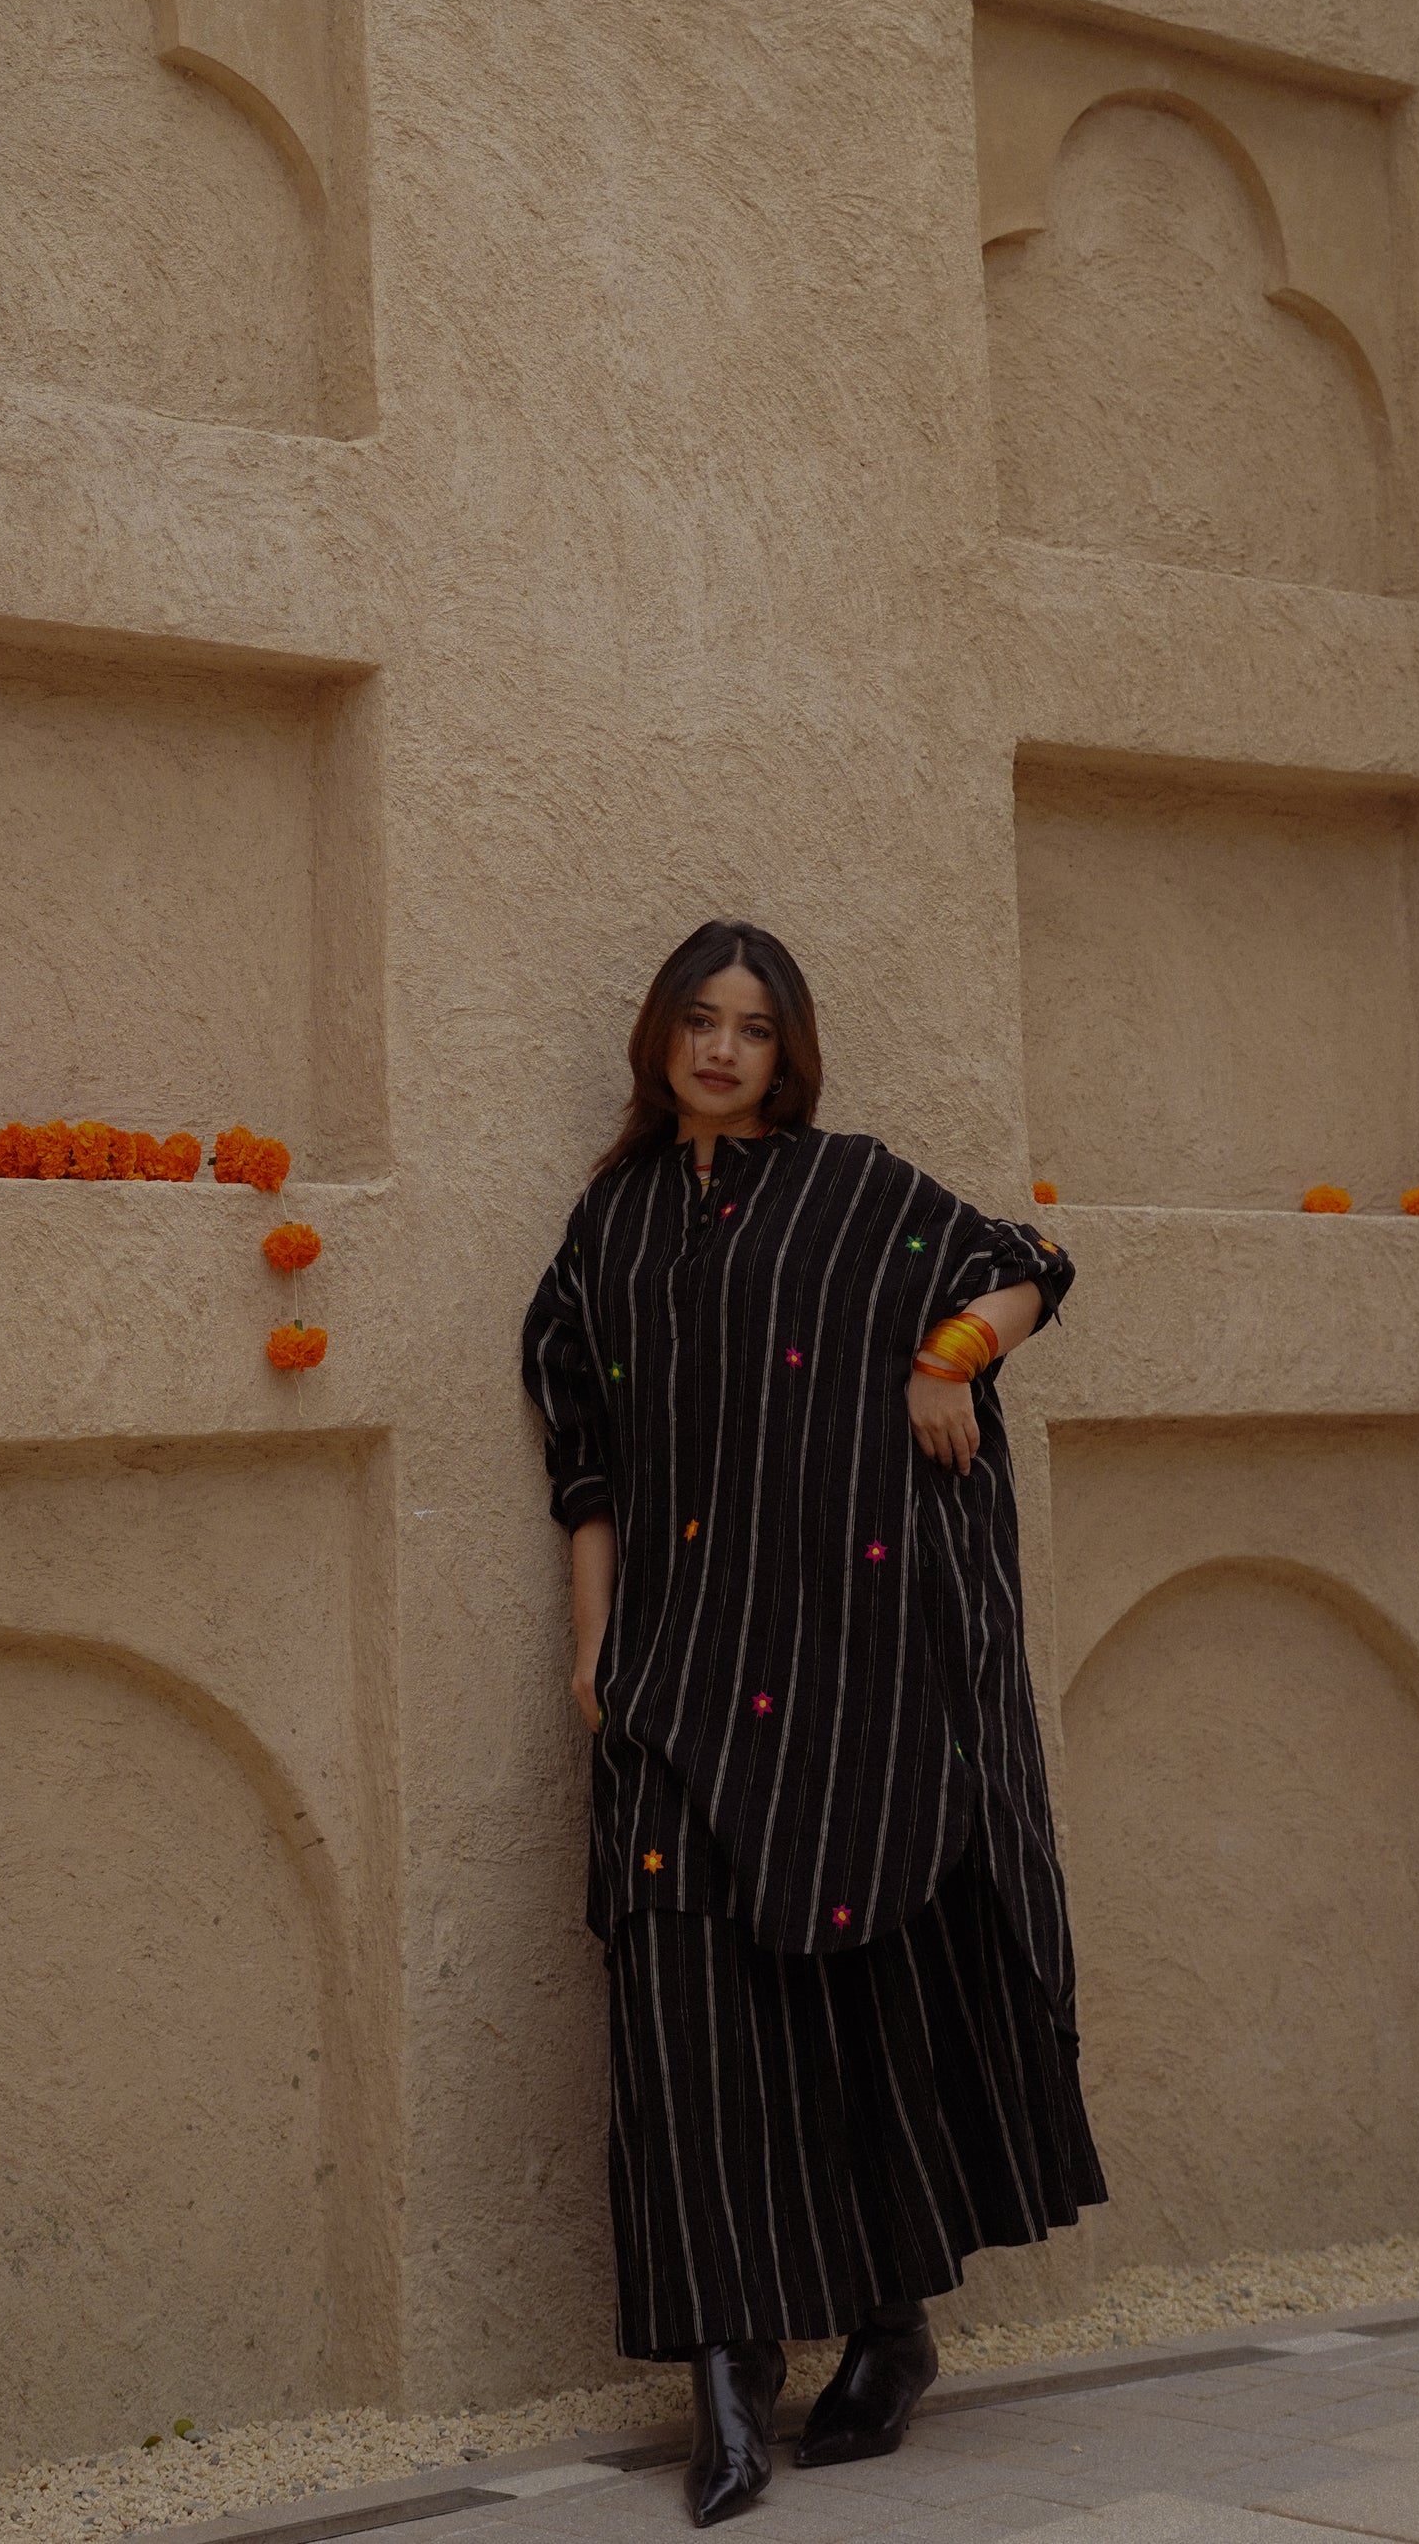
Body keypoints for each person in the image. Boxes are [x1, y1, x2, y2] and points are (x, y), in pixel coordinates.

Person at [521, 920, 1106, 2526]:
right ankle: (722, 2377)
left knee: (860, 2005)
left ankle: (891, 2327)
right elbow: (586, 1457)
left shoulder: (852, 1187)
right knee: (680, 2029)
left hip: (854, 1673)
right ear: (659, 1035)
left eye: (754, 1027)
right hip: (675, 1671)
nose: (721, 1049)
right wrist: (592, 1651)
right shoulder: (609, 1230)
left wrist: (950, 1348)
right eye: (699, 1020)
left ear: (790, 1052)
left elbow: (1027, 1261)